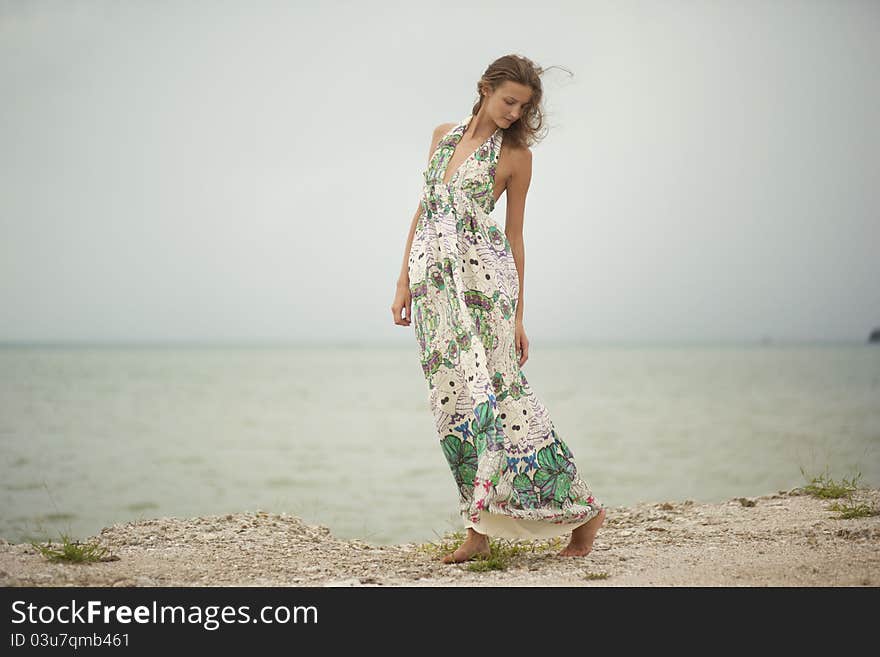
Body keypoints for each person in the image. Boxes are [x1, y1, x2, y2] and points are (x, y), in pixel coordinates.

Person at [391, 54, 606, 564]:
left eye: (523, 106)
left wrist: (518, 315)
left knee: (504, 402)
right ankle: (480, 526)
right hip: (436, 291)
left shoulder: (515, 156)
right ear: (485, 88)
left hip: (484, 294)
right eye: (509, 100)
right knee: (455, 410)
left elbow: (514, 235)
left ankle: (579, 515)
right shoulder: (443, 135)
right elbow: (424, 208)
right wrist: (403, 280)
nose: (514, 113)